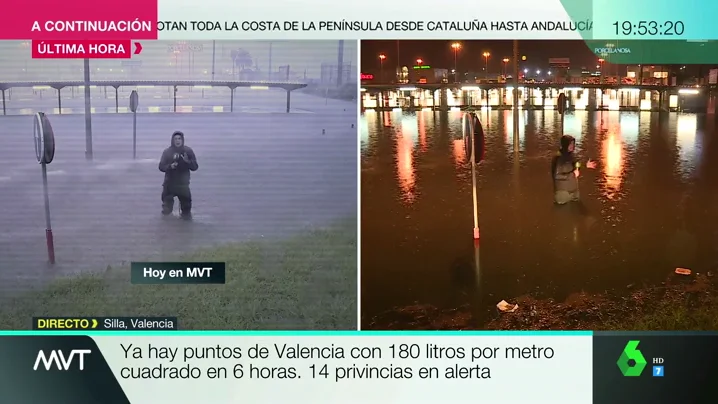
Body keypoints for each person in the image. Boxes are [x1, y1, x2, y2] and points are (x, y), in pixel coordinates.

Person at [159, 131, 198, 218]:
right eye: (175, 139)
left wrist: (188, 162)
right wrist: (170, 166)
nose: (177, 141)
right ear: (172, 140)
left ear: (182, 140)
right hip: (169, 184)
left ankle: (185, 228)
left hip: (183, 185)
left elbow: (195, 167)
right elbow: (161, 167)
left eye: (179, 139)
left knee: (186, 212)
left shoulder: (188, 151)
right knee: (166, 211)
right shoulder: (167, 152)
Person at [551, 135, 596, 205]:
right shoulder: (558, 159)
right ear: (565, 145)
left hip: (573, 193)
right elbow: (557, 176)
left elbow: (576, 165)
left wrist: (585, 165)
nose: (572, 146)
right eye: (570, 144)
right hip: (564, 195)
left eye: (573, 144)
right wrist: (572, 174)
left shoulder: (570, 156)